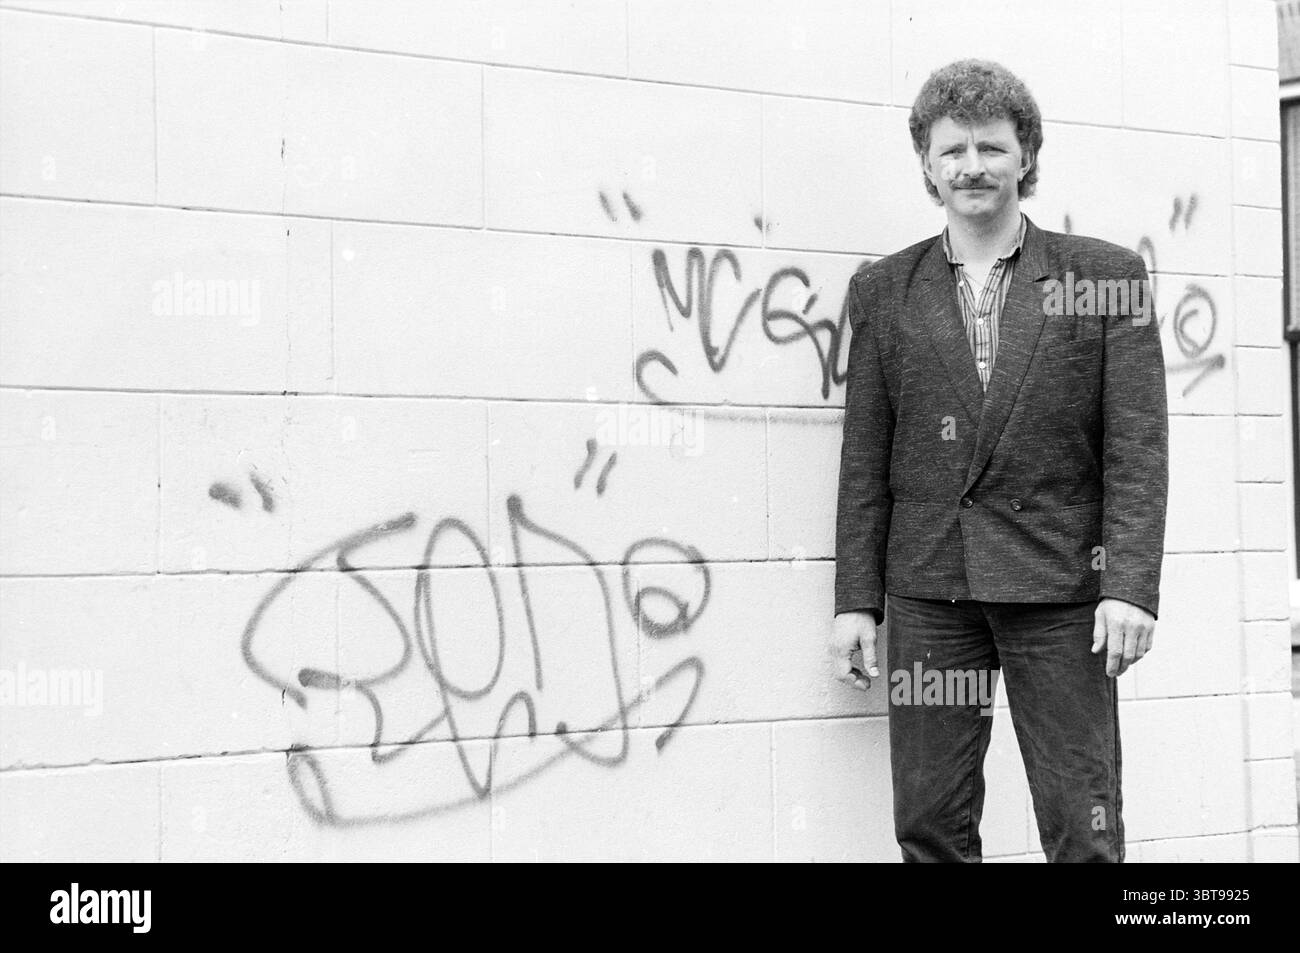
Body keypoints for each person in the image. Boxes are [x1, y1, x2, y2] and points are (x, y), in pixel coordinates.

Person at [830, 59, 1168, 863]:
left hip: (1060, 595)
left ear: (1026, 157)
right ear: (926, 165)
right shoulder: (883, 290)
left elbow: (1137, 447)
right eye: (951, 151)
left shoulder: (1104, 277)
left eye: (990, 147)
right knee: (931, 826)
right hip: (929, 593)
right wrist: (855, 601)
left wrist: (1130, 585)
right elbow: (864, 458)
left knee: (1082, 826)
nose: (971, 167)